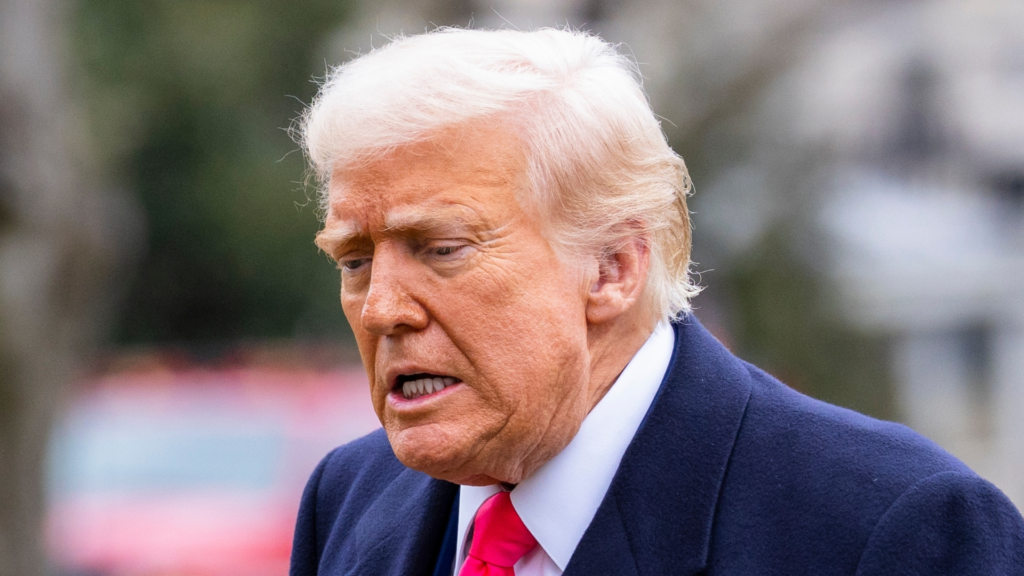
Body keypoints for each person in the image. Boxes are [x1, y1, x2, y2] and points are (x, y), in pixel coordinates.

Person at [289, 27, 1024, 576]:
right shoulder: (348, 501)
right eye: (355, 260)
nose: (383, 308)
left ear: (613, 267)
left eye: (440, 249)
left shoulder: (896, 527)